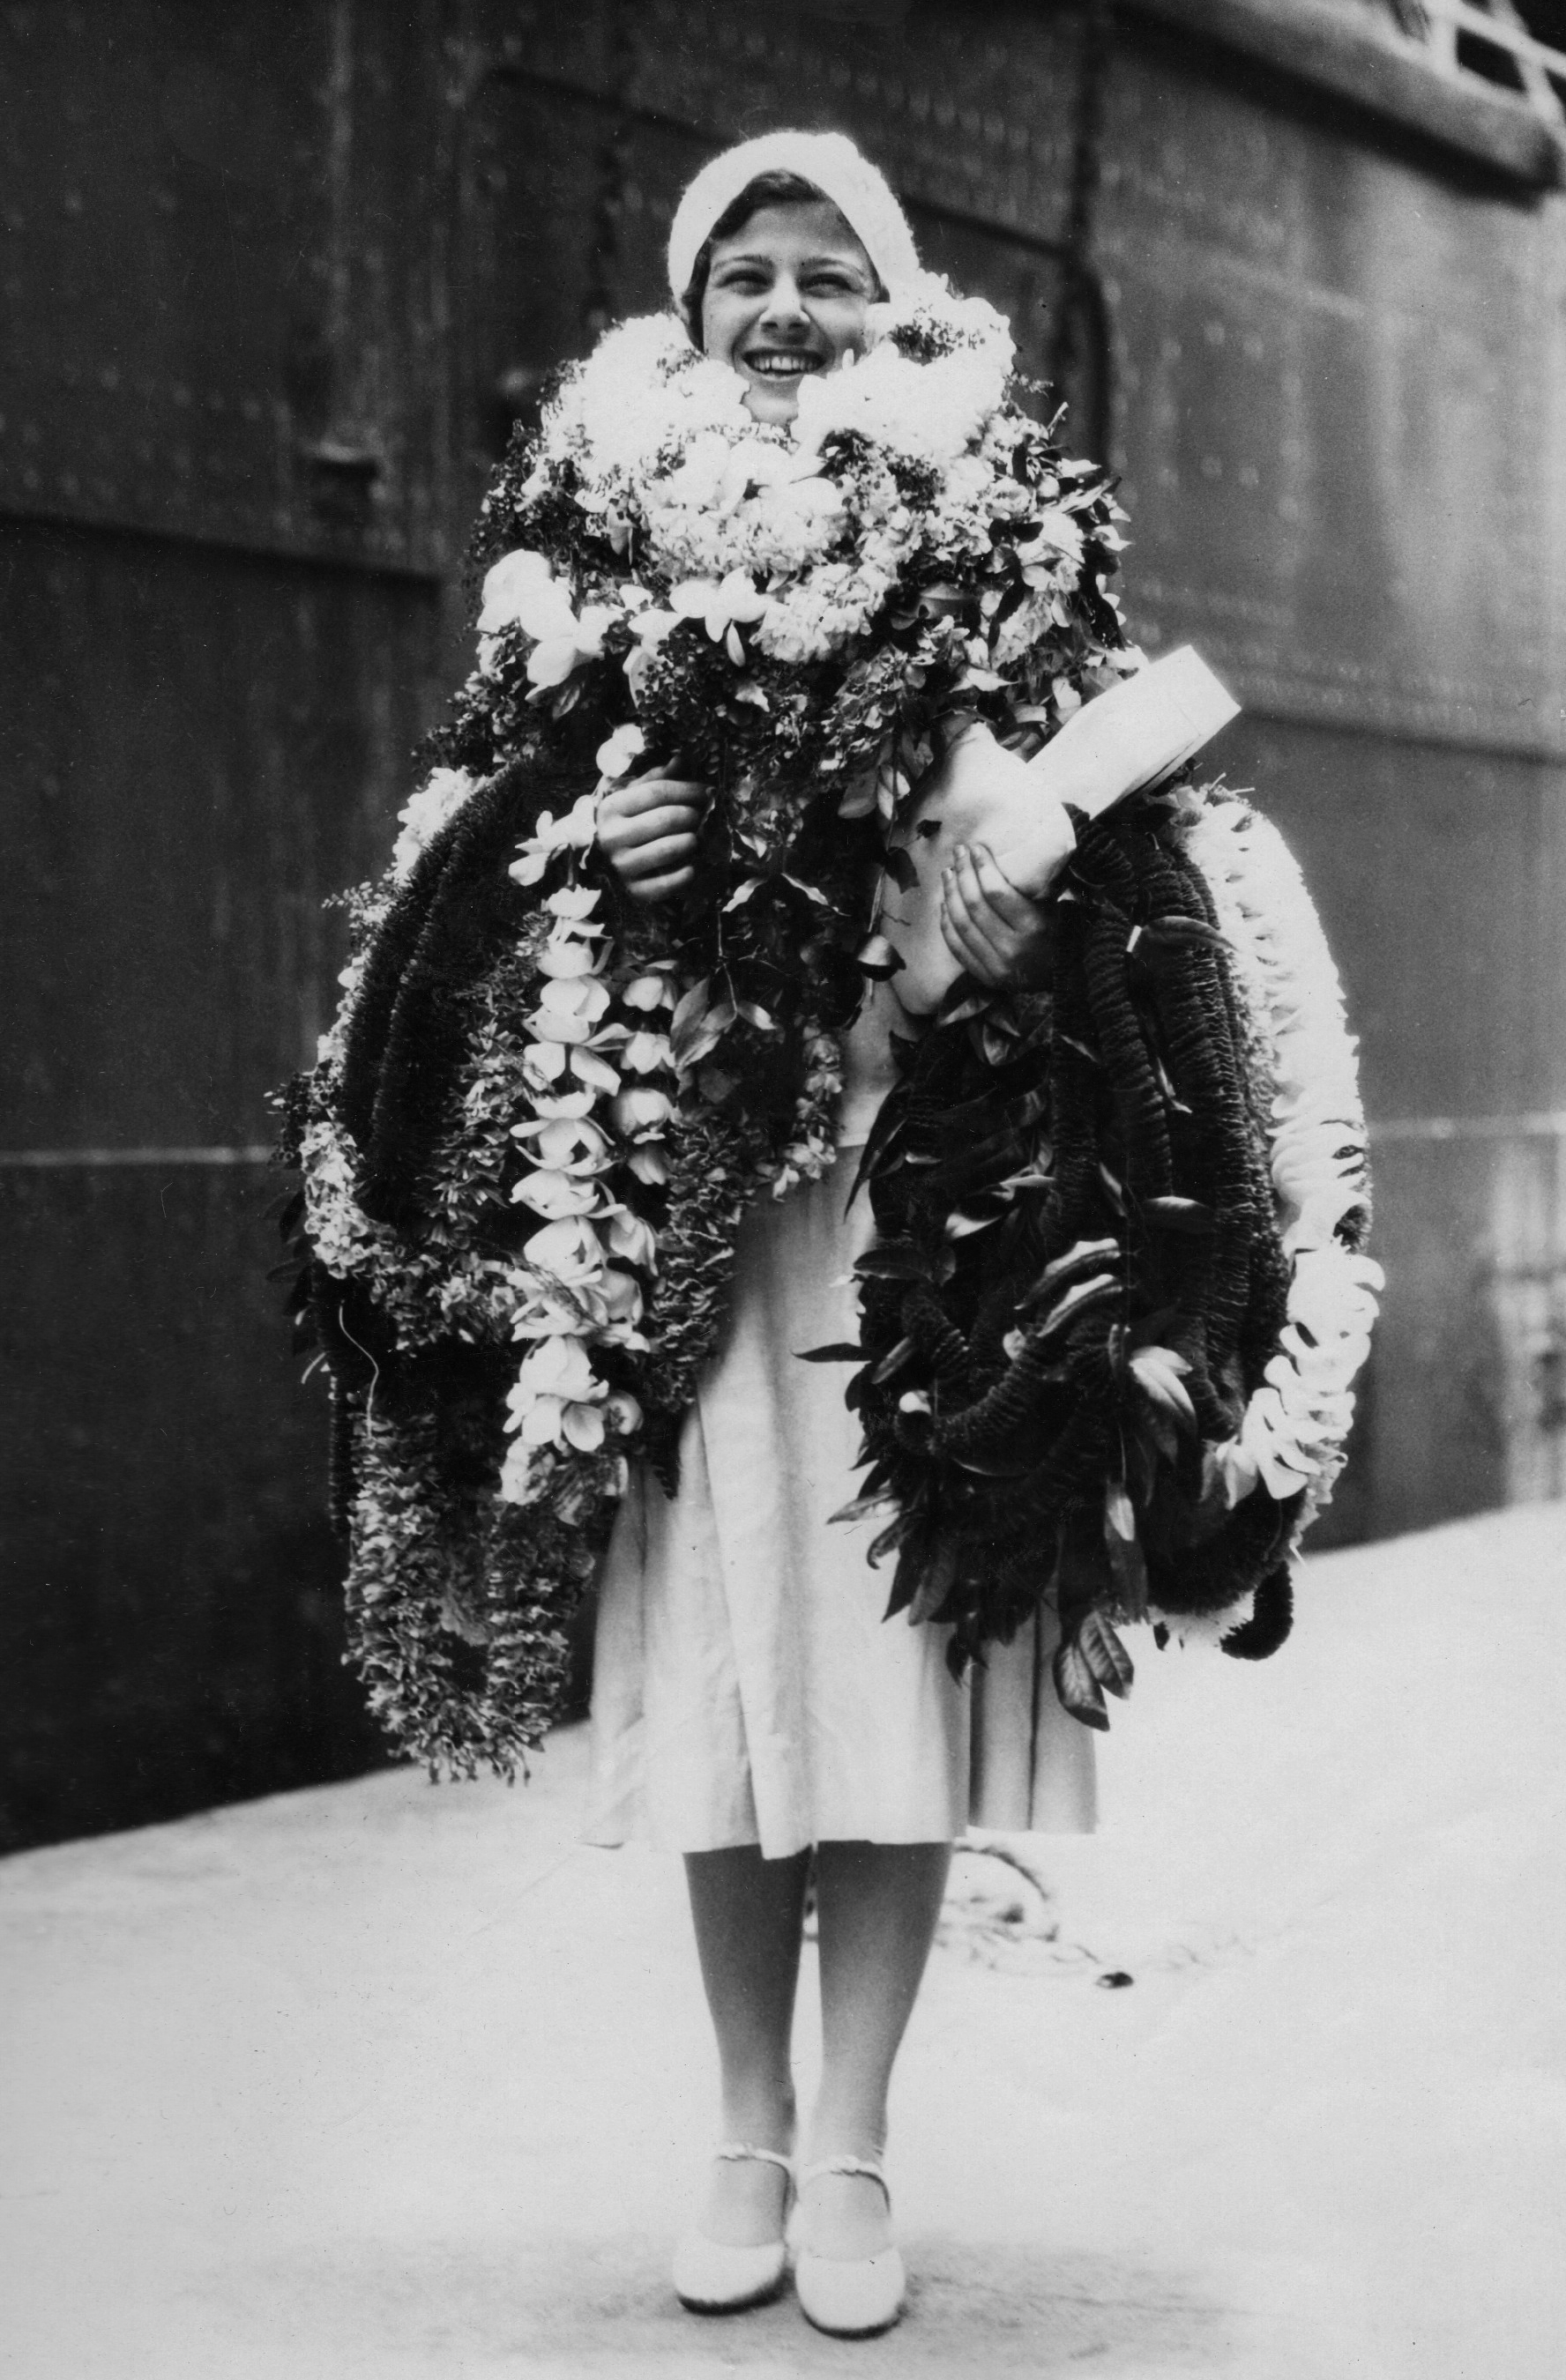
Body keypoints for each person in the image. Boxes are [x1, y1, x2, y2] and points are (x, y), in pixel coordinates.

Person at [579, 131, 1094, 2339]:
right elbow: (508, 898)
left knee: (881, 1666)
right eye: (743, 277)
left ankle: (859, 2142)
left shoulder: (993, 563)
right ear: (688, 319)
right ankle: (741, 2129)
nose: (784, 312)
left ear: (899, 314)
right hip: (705, 1202)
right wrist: (600, 839)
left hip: (910, 1197)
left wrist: (999, 896)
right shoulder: (595, 569)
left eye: (830, 277)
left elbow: (1111, 873)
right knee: (724, 1664)